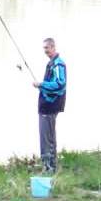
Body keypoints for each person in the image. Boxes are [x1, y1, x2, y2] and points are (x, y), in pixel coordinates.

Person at [33, 37, 67, 174]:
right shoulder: (52, 63)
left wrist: (42, 84)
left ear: (53, 47)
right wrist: (42, 87)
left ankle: (49, 167)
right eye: (44, 48)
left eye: (47, 48)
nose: (45, 51)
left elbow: (60, 84)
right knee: (48, 136)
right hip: (46, 105)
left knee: (47, 137)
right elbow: (52, 85)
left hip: (50, 106)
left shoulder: (58, 65)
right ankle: (50, 166)